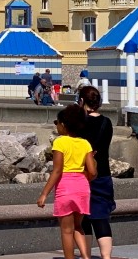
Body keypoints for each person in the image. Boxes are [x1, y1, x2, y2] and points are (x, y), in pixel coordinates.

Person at [36, 105, 97, 259]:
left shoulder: (60, 142)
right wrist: (83, 178)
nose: (56, 125)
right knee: (78, 227)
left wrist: (44, 194)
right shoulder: (85, 144)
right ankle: (86, 257)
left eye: (57, 122)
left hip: (66, 187)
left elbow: (57, 170)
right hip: (83, 187)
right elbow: (93, 171)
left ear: (63, 124)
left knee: (66, 231)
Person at [78, 86, 115, 259]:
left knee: (84, 217)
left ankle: (86, 256)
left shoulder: (79, 123)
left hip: (82, 173)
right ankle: (106, 257)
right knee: (101, 217)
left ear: (82, 101)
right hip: (102, 173)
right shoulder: (106, 122)